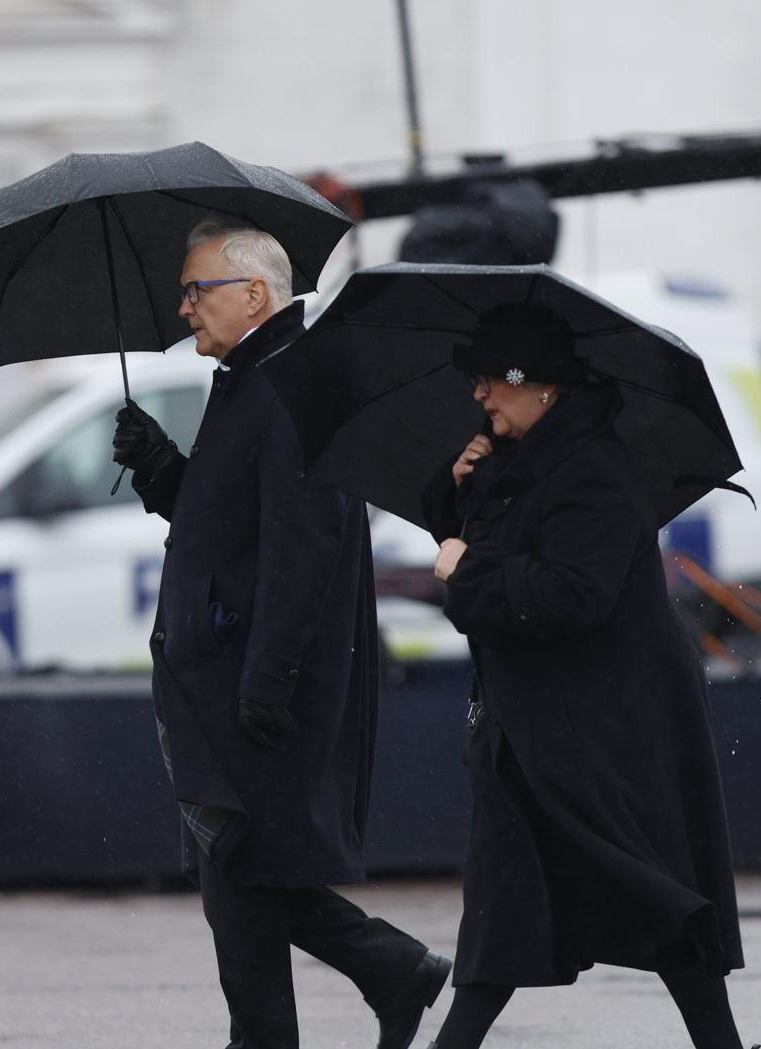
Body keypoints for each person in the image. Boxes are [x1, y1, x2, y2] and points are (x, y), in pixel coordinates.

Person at [111, 217, 451, 1049]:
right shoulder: (251, 374)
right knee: (241, 872)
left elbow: (304, 548)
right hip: (227, 676)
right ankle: (389, 971)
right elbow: (231, 522)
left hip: (255, 686)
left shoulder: (292, 380)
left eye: (198, 290)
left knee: (238, 868)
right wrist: (160, 469)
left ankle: (356, 988)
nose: (184, 307)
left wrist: (267, 678)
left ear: (255, 293)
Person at [420, 303, 752, 1049]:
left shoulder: (596, 471)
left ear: (541, 388)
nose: (479, 395)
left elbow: (574, 593)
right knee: (502, 917)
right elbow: (495, 551)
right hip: (534, 730)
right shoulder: (514, 461)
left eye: (491, 382)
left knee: (659, 901)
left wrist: (469, 571)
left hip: (607, 735)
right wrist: (459, 488)